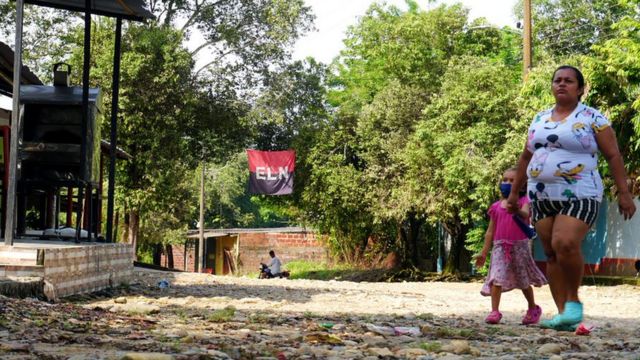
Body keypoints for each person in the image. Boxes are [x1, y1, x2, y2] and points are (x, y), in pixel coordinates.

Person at [508, 65, 636, 330]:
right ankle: (564, 314)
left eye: (568, 81)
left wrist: (624, 193)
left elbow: (613, 155)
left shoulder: (592, 117)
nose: (562, 84)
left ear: (580, 88)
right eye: (557, 80)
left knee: (564, 242)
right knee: (552, 253)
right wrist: (513, 194)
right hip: (541, 195)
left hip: (581, 192)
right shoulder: (540, 118)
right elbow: (525, 157)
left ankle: (574, 302)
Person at [476, 168, 547, 325]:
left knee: (523, 280)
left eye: (512, 180)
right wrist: (483, 252)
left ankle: (533, 308)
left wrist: (516, 210)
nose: (507, 183)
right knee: (496, 277)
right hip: (500, 248)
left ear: (521, 185)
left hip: (520, 247)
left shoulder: (525, 201)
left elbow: (525, 215)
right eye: (505, 180)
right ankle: (494, 311)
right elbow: (490, 232)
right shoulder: (495, 207)